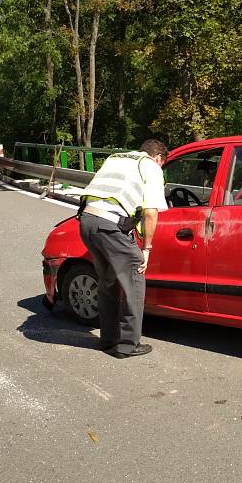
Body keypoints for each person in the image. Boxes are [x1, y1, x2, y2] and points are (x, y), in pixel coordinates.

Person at [78, 139, 169, 358]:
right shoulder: (151, 167)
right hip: (109, 226)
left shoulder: (116, 158)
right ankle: (128, 345)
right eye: (162, 164)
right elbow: (150, 212)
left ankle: (108, 339)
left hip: (87, 221)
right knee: (135, 275)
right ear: (158, 158)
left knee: (108, 282)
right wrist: (146, 249)